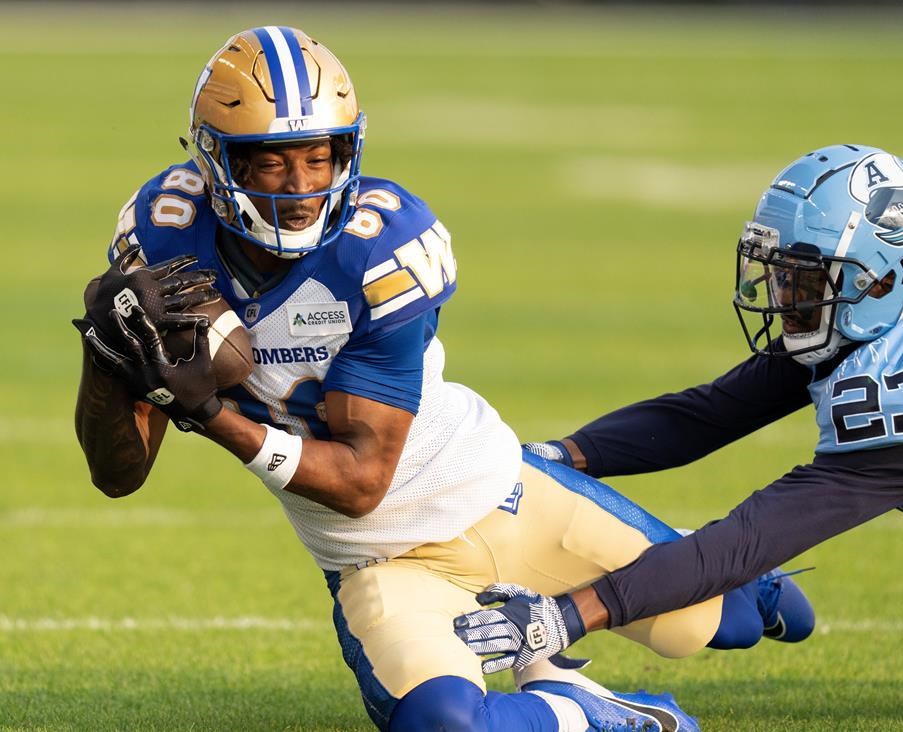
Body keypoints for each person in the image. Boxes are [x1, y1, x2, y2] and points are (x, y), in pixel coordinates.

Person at [72, 26, 814, 732]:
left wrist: (210, 415)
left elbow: (362, 479)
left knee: (734, 623)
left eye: (319, 156)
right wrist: (106, 359)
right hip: (374, 560)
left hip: (500, 495)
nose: (299, 185)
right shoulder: (167, 242)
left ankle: (723, 571)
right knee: (441, 723)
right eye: (269, 161)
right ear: (215, 161)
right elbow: (118, 475)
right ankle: (586, 707)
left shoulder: (379, 247)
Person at [454, 143, 903, 673]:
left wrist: (568, 615)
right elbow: (706, 414)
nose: (783, 298)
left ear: (883, 282)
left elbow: (745, 543)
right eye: (780, 274)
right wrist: (547, 458)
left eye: (804, 280)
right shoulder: (899, 322)